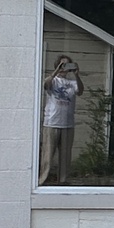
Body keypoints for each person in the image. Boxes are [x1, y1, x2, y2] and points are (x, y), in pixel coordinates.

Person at [39, 55, 83, 185]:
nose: (64, 68)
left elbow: (80, 90)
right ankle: (43, 179)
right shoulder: (54, 80)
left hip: (67, 123)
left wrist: (76, 75)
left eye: (67, 65)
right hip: (52, 122)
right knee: (47, 154)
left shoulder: (72, 83)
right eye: (62, 65)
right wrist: (56, 71)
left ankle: (63, 180)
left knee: (65, 156)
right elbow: (45, 84)